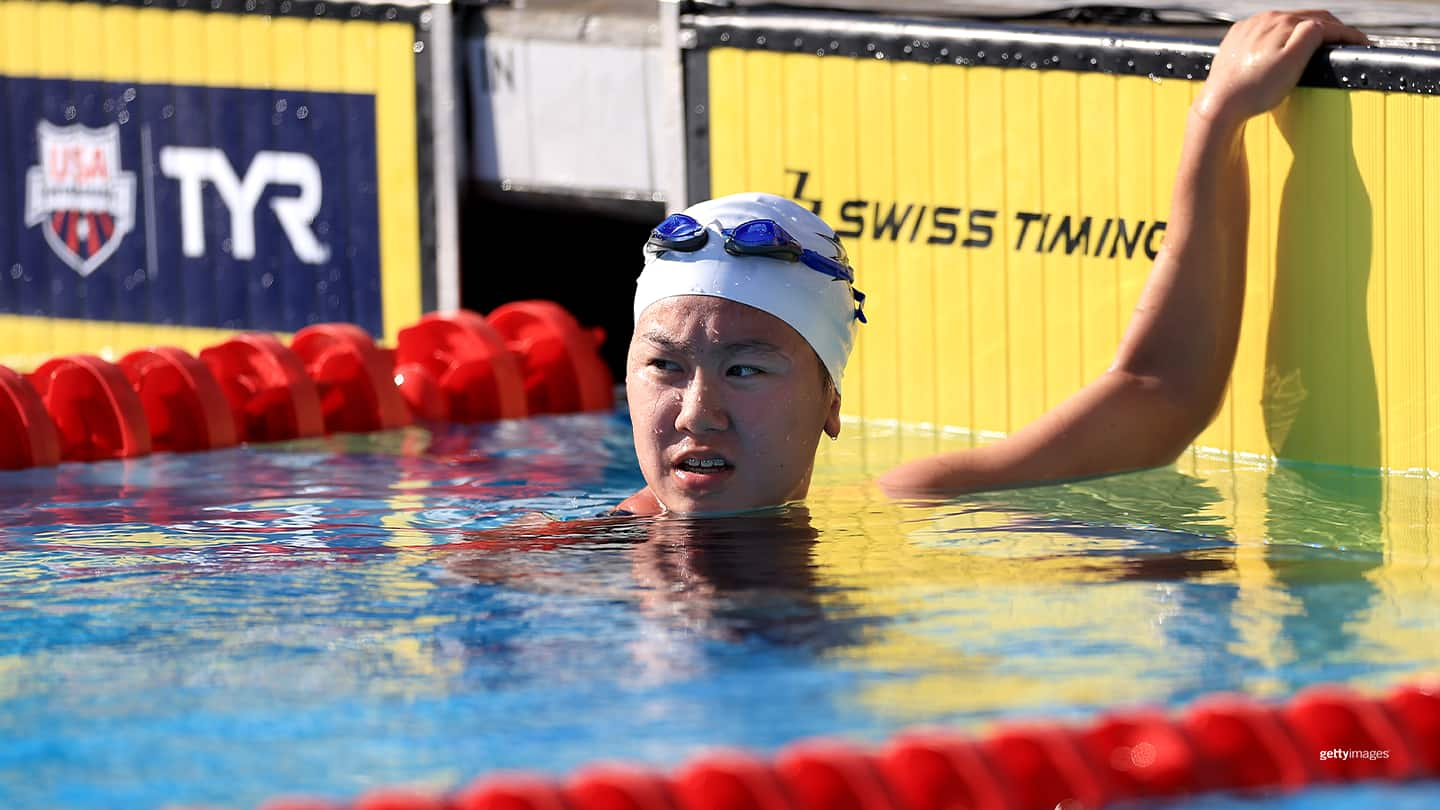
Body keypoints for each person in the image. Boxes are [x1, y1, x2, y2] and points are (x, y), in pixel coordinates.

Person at [613, 9, 1368, 517]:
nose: (696, 411)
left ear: (832, 403)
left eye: (744, 370)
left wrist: (1217, 118)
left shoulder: (902, 505)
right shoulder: (584, 549)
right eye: (665, 366)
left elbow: (1155, 394)